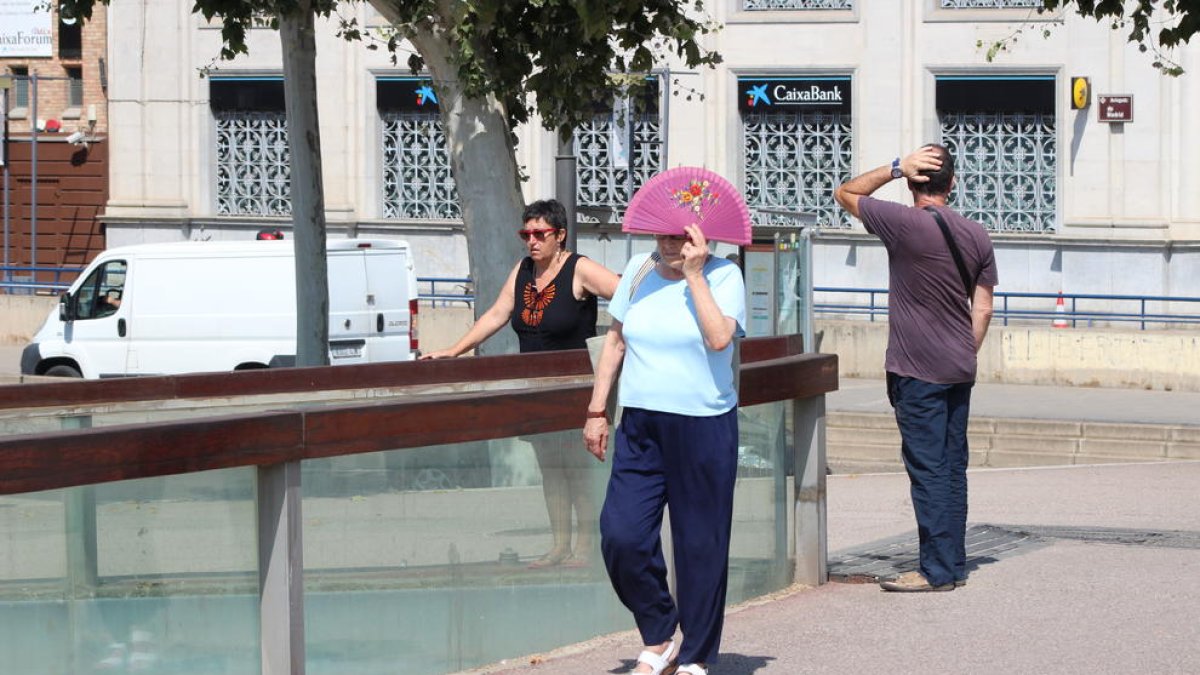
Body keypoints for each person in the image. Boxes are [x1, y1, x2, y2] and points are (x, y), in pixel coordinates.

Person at [834, 144, 998, 592]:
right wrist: (966, 348)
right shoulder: (977, 233)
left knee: (927, 469)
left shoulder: (902, 223)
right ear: (954, 183)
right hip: (959, 367)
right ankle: (953, 562)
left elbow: (844, 193)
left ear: (912, 183)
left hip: (915, 369)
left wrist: (892, 167)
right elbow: (982, 309)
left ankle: (935, 571)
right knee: (951, 467)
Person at [584, 224, 746, 675]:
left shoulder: (724, 275)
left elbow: (719, 339)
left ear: (702, 238)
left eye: (680, 237)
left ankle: (695, 654)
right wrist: (597, 409)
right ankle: (659, 632)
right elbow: (615, 341)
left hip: (704, 423)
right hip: (640, 423)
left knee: (700, 544)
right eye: (663, 236)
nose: (670, 245)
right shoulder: (638, 269)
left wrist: (695, 275)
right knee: (621, 534)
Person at [422, 199, 619, 568]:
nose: (531, 241)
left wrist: (621, 341)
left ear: (559, 236)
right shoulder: (524, 270)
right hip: (537, 390)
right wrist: (455, 350)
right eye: (526, 234)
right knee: (551, 470)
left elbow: (626, 294)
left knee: (576, 471)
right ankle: (560, 546)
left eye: (540, 234)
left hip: (575, 390)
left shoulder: (580, 269)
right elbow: (497, 313)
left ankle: (587, 549)